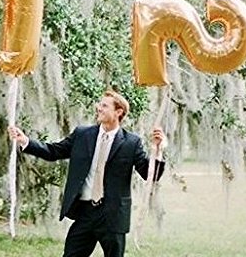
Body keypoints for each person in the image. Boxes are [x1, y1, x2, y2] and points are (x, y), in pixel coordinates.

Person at [9, 90, 166, 257]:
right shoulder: (82, 134)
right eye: (99, 104)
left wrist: (158, 150)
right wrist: (25, 141)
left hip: (113, 216)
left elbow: (150, 174)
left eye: (104, 105)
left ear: (118, 112)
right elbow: (53, 151)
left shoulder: (132, 142)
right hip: (84, 212)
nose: (99, 108)